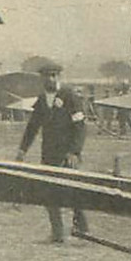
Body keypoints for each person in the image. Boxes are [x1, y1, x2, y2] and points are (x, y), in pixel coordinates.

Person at [15, 59, 89, 243]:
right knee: (48, 193)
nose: (50, 79)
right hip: (48, 154)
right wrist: (22, 150)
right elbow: (32, 127)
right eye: (47, 76)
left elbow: (80, 127)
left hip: (67, 155)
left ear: (59, 77)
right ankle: (57, 233)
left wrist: (74, 152)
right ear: (42, 79)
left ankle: (83, 227)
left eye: (54, 75)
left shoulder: (70, 96)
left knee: (72, 191)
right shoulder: (41, 100)